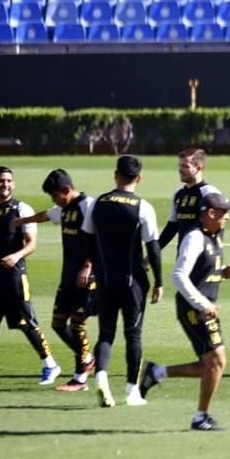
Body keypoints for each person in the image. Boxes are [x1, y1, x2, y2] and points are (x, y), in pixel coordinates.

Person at [139, 193, 230, 432]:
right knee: (217, 362)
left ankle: (156, 372)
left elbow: (202, 269)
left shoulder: (213, 236)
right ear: (210, 213)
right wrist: (203, 303)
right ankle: (200, 417)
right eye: (223, 212)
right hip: (196, 309)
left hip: (203, 308)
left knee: (209, 365)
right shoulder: (194, 237)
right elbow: (178, 275)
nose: (227, 217)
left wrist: (223, 271)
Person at [0, 166, 60, 386]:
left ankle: (50, 365)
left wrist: (17, 256)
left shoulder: (22, 209)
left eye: (8, 181)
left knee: (27, 322)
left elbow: (32, 244)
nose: (4, 184)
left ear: (13, 184)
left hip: (14, 277)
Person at [82, 155, 163, 407]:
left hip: (105, 280)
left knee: (106, 333)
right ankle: (131, 392)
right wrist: (159, 282)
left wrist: (91, 268)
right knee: (133, 335)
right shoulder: (143, 207)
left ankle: (102, 378)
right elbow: (153, 248)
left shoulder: (97, 203)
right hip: (133, 283)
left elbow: (86, 240)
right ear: (138, 178)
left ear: (115, 175)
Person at [9, 169, 97, 391]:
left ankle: (80, 378)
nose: (54, 201)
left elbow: (99, 240)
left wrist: (88, 266)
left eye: (55, 195)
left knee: (77, 325)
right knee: (58, 324)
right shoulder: (65, 210)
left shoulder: (89, 207)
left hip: (87, 277)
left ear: (66, 190)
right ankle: (87, 359)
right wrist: (22, 221)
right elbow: (46, 215)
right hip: (68, 276)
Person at [157, 148, 222, 250]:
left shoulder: (209, 193)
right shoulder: (178, 194)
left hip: (204, 256)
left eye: (185, 166)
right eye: (179, 165)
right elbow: (171, 227)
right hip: (183, 255)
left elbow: (218, 226)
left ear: (199, 168)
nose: (180, 170)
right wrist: (152, 254)